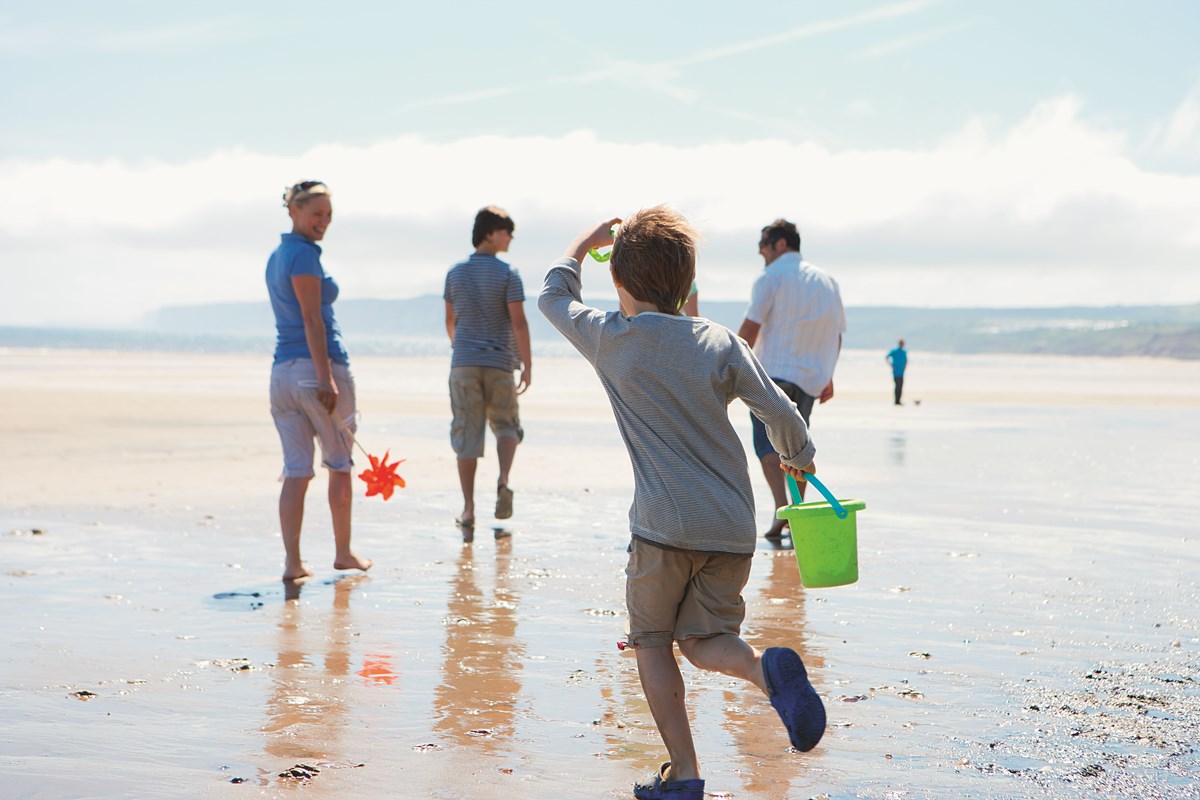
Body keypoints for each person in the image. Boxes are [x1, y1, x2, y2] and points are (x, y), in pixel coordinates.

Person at [539, 207, 827, 800]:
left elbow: (551, 296)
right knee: (703, 641)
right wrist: (798, 454)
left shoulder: (609, 337)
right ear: (686, 284)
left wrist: (585, 242)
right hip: (730, 526)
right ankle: (761, 668)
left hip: (661, 530)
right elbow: (776, 408)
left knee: (651, 641)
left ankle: (686, 775)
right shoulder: (716, 340)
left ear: (619, 283)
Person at [266, 180, 371, 582]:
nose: (323, 222)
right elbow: (312, 319)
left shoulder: (277, 255)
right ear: (294, 211)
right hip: (316, 370)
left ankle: (293, 563)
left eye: (328, 215)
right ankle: (343, 553)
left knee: (296, 470)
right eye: (316, 214)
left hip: (282, 374)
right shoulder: (304, 256)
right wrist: (326, 376)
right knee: (339, 464)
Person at [737, 219, 845, 539]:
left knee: (766, 445)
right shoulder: (828, 281)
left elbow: (751, 327)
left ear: (781, 244)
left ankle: (781, 509)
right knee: (798, 446)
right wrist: (829, 375)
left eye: (764, 244)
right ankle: (796, 514)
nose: (760, 250)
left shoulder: (770, 277)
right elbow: (836, 334)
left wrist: (729, 362)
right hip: (810, 378)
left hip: (773, 373)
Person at [444, 206, 532, 529]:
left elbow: (450, 322)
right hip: (499, 363)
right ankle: (503, 479)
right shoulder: (509, 274)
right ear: (490, 233)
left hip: (464, 363)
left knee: (466, 434)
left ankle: (468, 509)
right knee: (507, 426)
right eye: (507, 231)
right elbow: (519, 323)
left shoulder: (455, 273)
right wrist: (527, 365)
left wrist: (462, 350)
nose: (510, 237)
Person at [886, 338, 907, 405]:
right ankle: (896, 401)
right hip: (896, 372)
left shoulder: (904, 352)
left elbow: (906, 360)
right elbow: (887, 357)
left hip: (902, 372)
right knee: (897, 386)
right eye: (901, 343)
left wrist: (904, 367)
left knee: (900, 386)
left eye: (903, 343)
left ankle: (898, 400)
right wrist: (891, 365)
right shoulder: (894, 351)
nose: (902, 344)